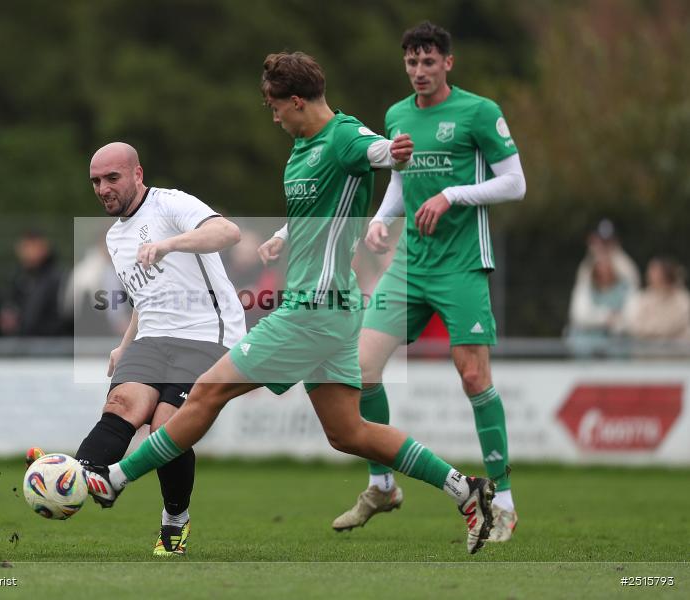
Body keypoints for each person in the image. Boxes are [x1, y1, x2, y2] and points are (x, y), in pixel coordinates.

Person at [85, 52, 497, 556]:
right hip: (331, 309)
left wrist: (397, 150)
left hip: (314, 308)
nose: (274, 117)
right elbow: (318, 210)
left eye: (276, 108)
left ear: (297, 101)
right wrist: (283, 235)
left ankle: (115, 478)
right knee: (349, 433)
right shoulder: (301, 149)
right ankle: (466, 489)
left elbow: (378, 153)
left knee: (206, 392)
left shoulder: (344, 136)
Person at [330, 22, 526, 542]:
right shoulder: (396, 115)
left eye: (429, 62)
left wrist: (453, 195)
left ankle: (502, 499)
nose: (420, 71)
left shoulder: (479, 112)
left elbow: (515, 183)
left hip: (463, 264)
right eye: (412, 63)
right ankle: (382, 485)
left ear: (448, 64)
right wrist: (380, 219)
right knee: (362, 370)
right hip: (409, 264)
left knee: (473, 378)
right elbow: (400, 182)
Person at [32, 142, 246, 556]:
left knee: (165, 428)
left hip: (208, 333)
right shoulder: (114, 238)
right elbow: (143, 299)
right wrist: (123, 345)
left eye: (112, 178)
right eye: (95, 181)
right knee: (122, 404)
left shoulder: (170, 204)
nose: (103, 188)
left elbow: (228, 232)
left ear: (137, 174)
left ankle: (174, 523)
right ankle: (76, 477)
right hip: (152, 335)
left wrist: (170, 244)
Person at [0, 229, 71, 337]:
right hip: (27, 345)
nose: (26, 252)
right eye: (24, 247)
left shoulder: (57, 279)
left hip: (51, 345)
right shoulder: (19, 279)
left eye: (30, 246)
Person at [566, 250, 633, 357]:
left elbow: (630, 318)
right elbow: (581, 316)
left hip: (617, 342)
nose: (604, 272)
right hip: (586, 344)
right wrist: (606, 317)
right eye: (600, 269)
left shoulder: (625, 289)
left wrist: (614, 323)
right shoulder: (585, 289)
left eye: (607, 268)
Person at [619, 257, 690, 343]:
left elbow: (673, 325)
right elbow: (636, 326)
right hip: (648, 349)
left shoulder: (682, 299)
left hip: (677, 350)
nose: (650, 275)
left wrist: (652, 331)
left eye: (655, 272)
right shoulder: (644, 297)